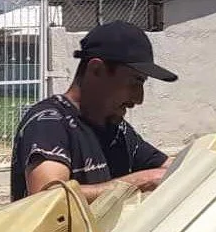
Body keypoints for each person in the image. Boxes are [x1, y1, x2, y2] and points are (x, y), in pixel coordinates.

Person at [11, 20, 177, 201]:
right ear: (96, 70)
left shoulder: (117, 130)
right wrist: (142, 181)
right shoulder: (49, 123)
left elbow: (169, 168)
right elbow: (47, 198)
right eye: (134, 82)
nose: (139, 99)